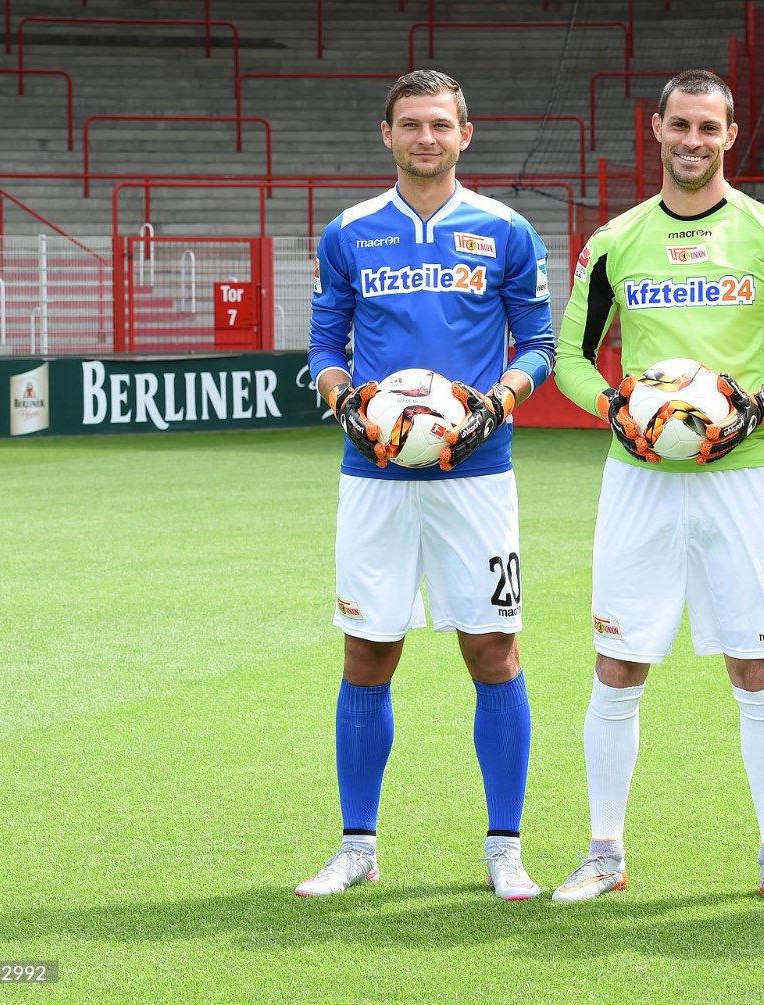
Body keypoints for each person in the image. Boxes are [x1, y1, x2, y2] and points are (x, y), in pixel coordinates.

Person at [549, 70, 764, 906]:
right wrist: (614, 407)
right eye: (680, 125)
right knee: (617, 663)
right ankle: (604, 853)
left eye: (708, 128)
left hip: (738, 480)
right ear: (656, 128)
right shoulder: (614, 242)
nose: (692, 141)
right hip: (638, 480)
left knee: (756, 666)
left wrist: (762, 405)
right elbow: (571, 357)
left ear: (730, 134)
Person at [299, 69, 555, 901]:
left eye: (440, 124)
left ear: (464, 134)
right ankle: (357, 845)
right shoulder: (348, 232)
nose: (426, 138)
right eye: (411, 124)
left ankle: (504, 847)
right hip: (372, 476)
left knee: (493, 649)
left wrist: (497, 402)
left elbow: (539, 344)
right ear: (388, 135)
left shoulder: (508, 230)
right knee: (368, 652)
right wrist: (343, 400)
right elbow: (325, 342)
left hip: (477, 475)